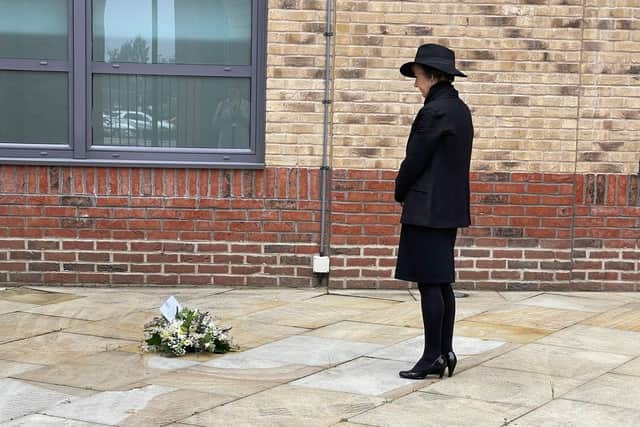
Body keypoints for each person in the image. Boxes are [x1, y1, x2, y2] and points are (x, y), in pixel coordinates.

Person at [394, 44, 473, 380]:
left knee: (429, 282)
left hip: (426, 208)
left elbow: (416, 159)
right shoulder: (460, 109)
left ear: (434, 75)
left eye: (418, 77)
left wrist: (400, 189)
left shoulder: (434, 111)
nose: (416, 84)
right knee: (441, 282)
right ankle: (445, 352)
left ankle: (430, 357)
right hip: (449, 207)